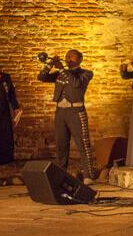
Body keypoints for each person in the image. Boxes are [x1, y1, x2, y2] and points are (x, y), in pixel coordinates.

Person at [38, 49, 97, 182]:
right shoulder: (60, 73)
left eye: (72, 56)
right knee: (61, 145)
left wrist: (61, 69)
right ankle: (61, 175)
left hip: (76, 111)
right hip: (60, 112)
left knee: (83, 143)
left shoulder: (86, 73)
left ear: (80, 59)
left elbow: (76, 84)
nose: (68, 58)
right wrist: (49, 64)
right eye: (67, 56)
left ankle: (88, 175)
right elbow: (41, 77)